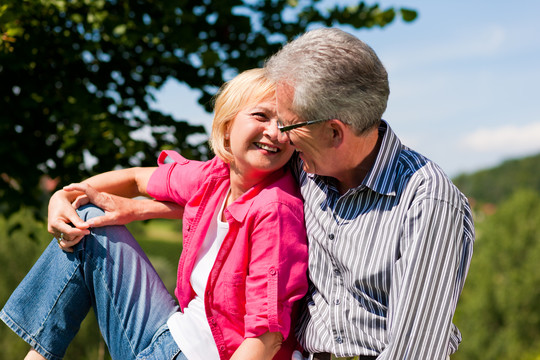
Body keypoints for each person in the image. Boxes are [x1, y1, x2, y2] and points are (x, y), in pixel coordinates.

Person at [0, 68, 309, 360]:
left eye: (286, 124)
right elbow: (136, 179)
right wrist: (63, 197)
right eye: (261, 116)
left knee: (92, 220)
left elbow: (267, 337)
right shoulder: (215, 176)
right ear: (227, 127)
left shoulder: (275, 210)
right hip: (167, 333)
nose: (275, 133)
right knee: (90, 218)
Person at [264, 28, 475, 360]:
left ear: (334, 132)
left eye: (289, 126)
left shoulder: (426, 200)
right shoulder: (306, 167)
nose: (281, 137)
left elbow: (415, 352)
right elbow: (224, 188)